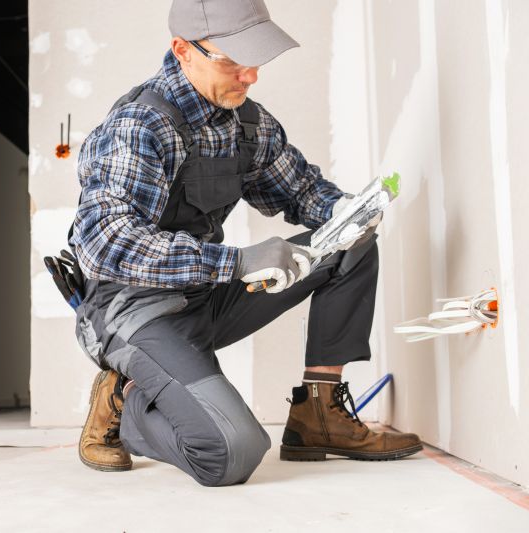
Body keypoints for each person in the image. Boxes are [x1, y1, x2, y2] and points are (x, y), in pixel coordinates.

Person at [67, 0, 422, 487]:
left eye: (255, 59)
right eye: (232, 60)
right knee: (230, 453)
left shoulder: (246, 124)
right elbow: (105, 246)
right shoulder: (139, 127)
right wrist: (236, 262)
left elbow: (302, 191)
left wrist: (346, 211)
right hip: (134, 312)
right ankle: (125, 401)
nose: (250, 75)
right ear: (183, 51)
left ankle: (319, 414)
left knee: (351, 243)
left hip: (205, 297)